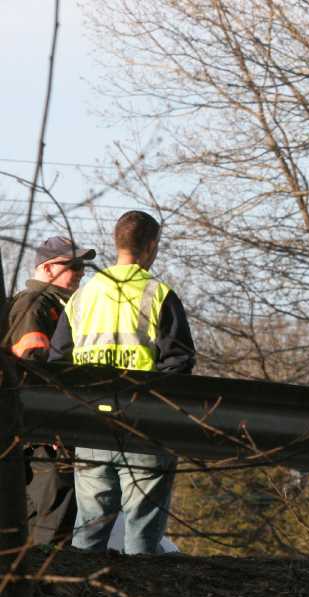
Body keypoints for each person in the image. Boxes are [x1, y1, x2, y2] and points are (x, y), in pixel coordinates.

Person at [49, 210, 196, 554]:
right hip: (144, 427)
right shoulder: (159, 294)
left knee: (88, 534)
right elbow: (180, 362)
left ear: (117, 244)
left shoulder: (82, 297)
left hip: (92, 427)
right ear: (151, 245)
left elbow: (58, 363)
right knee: (142, 538)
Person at [4, 236, 96, 544]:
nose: (81, 271)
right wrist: (52, 426)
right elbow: (33, 370)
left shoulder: (58, 305)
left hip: (43, 428)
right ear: (46, 267)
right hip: (42, 433)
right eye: (72, 265)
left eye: (83, 265)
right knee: (51, 511)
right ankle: (45, 583)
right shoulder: (36, 305)